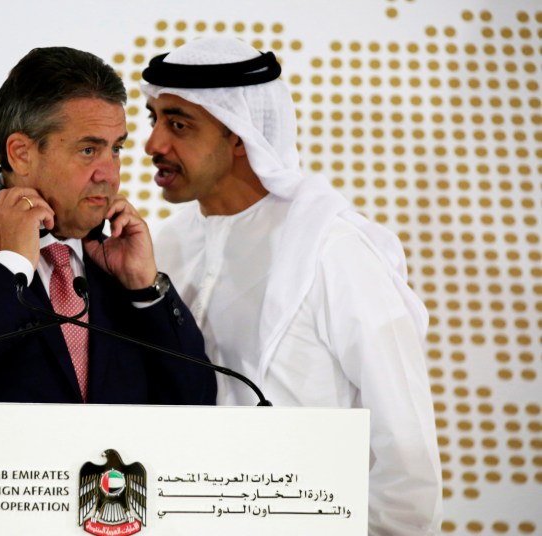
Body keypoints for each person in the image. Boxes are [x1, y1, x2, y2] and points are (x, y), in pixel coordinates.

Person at [141, 37, 441, 534]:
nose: (153, 145)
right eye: (153, 119)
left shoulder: (332, 248)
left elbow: (405, 451)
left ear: (239, 135)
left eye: (178, 124)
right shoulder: (162, 248)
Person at [0, 46, 216, 406]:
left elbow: (198, 403)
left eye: (116, 150)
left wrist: (145, 290)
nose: (110, 174)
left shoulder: (118, 257)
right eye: (88, 150)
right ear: (21, 154)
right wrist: (9, 267)